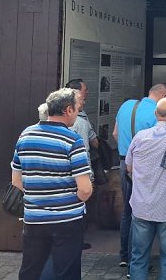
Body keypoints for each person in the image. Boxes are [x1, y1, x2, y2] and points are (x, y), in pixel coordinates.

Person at [12, 88, 93, 280]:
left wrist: (39, 196)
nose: (78, 111)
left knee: (31, 269)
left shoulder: (26, 134)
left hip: (34, 217)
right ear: (68, 110)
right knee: (66, 271)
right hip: (67, 219)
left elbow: (16, 180)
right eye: (76, 107)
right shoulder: (72, 139)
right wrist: (71, 200)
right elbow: (85, 189)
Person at [127, 97, 166, 280]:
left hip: (141, 204)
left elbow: (129, 168)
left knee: (138, 256)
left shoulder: (140, 137)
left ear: (156, 113)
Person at [113, 83, 166, 267]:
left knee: (128, 211)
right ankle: (135, 260)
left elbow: (114, 133)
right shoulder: (156, 113)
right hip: (145, 167)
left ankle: (123, 255)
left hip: (124, 163)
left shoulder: (126, 106)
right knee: (142, 212)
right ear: (163, 96)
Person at [64, 78, 98, 250]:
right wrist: (89, 176)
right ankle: (75, 240)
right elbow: (85, 150)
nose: (86, 98)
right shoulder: (81, 122)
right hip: (77, 174)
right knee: (79, 207)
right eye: (83, 97)